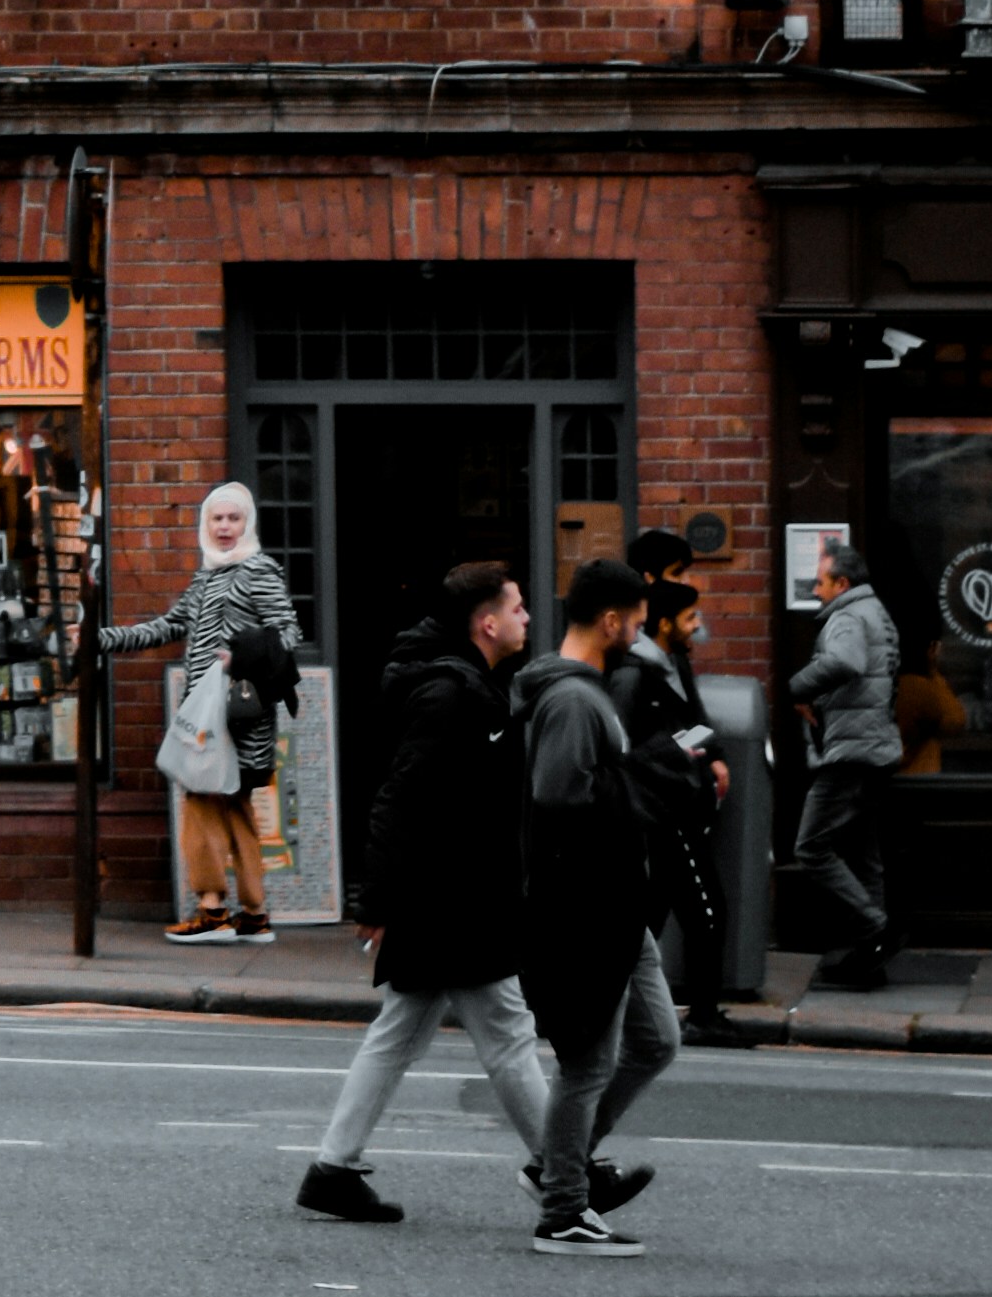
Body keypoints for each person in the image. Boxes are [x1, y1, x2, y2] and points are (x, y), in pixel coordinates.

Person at [294, 560, 555, 1225]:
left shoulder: (470, 686)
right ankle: (565, 1171)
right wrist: (375, 903)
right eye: (518, 607)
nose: (527, 617)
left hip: (449, 893)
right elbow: (399, 800)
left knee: (401, 1032)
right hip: (453, 899)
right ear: (486, 621)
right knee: (507, 1030)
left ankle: (332, 1167)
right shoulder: (450, 697)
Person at [517, 556, 669, 1246]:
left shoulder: (585, 692)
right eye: (636, 619)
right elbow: (557, 795)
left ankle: (557, 1164)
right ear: (611, 618)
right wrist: (637, 785)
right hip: (587, 902)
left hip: (616, 899)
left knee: (657, 1040)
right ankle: (563, 1208)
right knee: (589, 1063)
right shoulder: (575, 701)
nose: (640, 631)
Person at [110, 479, 305, 942]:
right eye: (216, 518)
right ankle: (255, 914)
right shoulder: (207, 575)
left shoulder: (258, 570)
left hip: (238, 717)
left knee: (202, 798)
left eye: (233, 518)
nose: (224, 527)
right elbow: (170, 625)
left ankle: (213, 909)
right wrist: (104, 640)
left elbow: (287, 632)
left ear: (247, 523)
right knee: (232, 804)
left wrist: (241, 657)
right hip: (210, 716)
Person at [613, 533, 743, 1037]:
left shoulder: (671, 664)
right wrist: (689, 750)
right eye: (690, 618)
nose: (699, 627)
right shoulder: (635, 675)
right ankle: (703, 1015)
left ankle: (610, 1004)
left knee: (647, 920)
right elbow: (631, 746)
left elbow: (694, 721)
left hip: (676, 803)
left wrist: (708, 751)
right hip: (664, 810)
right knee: (707, 910)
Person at [784, 533, 901, 989]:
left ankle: (876, 928)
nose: (816, 590)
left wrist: (798, 688)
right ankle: (869, 957)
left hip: (851, 751)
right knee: (865, 855)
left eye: (821, 582)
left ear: (842, 582)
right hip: (876, 748)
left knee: (811, 847)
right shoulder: (879, 614)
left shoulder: (849, 617)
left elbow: (847, 663)